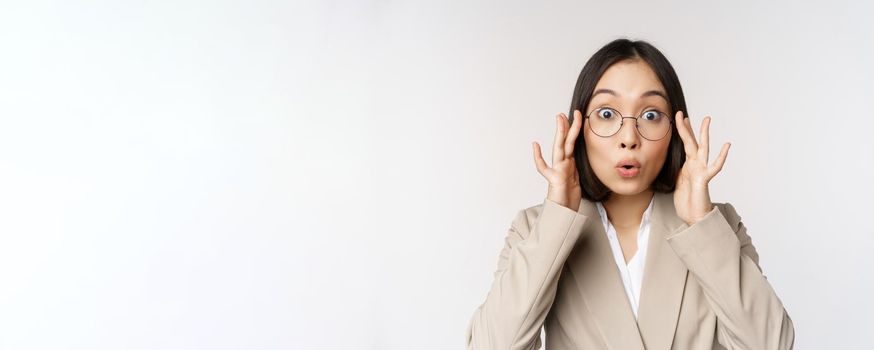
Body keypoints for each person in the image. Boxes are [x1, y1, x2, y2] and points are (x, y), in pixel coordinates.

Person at [465, 38, 795, 349]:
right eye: (607, 114)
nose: (628, 137)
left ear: (676, 131)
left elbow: (770, 343)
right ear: (579, 128)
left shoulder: (717, 225)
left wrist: (700, 221)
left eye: (651, 115)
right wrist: (557, 218)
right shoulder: (535, 227)